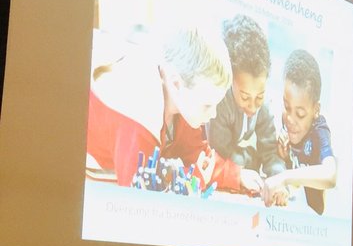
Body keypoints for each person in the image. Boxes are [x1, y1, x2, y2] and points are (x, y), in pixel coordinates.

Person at [86, 24, 256, 193]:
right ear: (176, 84)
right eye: (207, 105)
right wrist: (193, 183)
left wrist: (236, 175)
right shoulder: (138, 118)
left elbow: (197, 155)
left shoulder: (182, 94)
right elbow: (138, 200)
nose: (213, 114)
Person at [208, 15, 285, 185]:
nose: (252, 106)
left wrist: (279, 181)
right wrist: (251, 158)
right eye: (244, 97)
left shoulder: (263, 106)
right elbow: (222, 154)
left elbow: (271, 152)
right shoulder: (219, 103)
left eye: (259, 96)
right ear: (230, 79)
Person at [263, 49, 337, 214]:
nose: (290, 119)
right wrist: (283, 157)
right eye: (287, 107)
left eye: (301, 114)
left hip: (315, 221)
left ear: (315, 110)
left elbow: (331, 176)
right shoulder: (283, 121)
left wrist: (284, 177)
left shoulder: (320, 130)